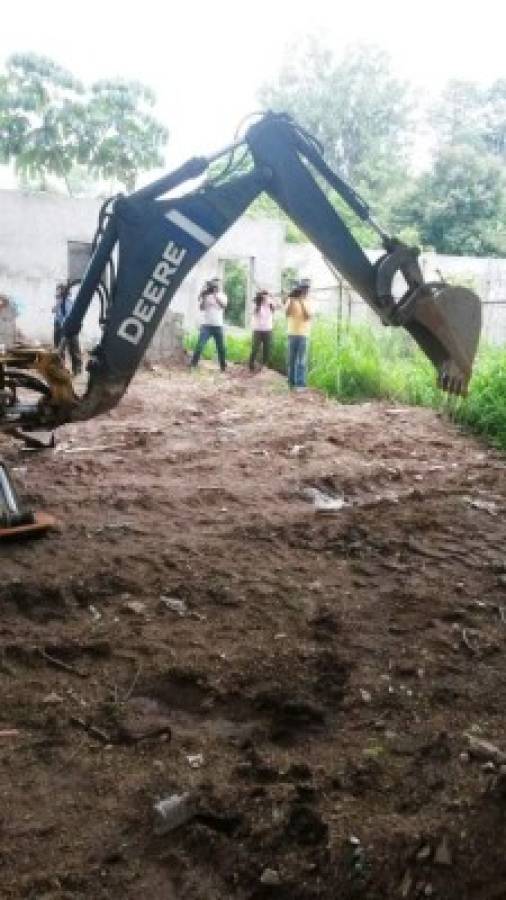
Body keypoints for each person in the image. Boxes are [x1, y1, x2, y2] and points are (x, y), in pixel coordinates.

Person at [190, 277, 228, 372]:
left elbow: (223, 305)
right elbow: (202, 308)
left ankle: (223, 367)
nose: (214, 286)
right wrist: (203, 297)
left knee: (221, 348)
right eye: (213, 285)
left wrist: (215, 296)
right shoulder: (206, 296)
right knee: (200, 345)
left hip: (218, 325)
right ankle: (193, 365)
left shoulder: (222, 295)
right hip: (206, 325)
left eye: (216, 285)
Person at [285, 278, 313, 389]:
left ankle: (301, 384)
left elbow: (308, 316)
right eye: (303, 288)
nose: (304, 290)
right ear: (300, 288)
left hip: (303, 334)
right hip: (292, 333)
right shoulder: (292, 300)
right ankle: (291, 383)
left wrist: (301, 301)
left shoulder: (310, 301)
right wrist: (291, 300)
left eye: (306, 288)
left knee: (301, 361)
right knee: (291, 360)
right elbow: (287, 314)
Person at [52, 281, 82, 376]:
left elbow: (71, 313)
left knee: (73, 349)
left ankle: (77, 370)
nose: (59, 292)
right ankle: (61, 369)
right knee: (59, 349)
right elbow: (54, 311)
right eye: (58, 290)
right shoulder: (59, 301)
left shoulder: (70, 301)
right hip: (59, 326)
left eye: (61, 290)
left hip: (70, 326)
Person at [249, 289, 276, 373]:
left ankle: (264, 366)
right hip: (258, 329)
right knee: (255, 348)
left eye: (266, 295)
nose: (265, 297)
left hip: (268, 329)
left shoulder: (270, 304)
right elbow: (254, 312)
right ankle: (251, 364)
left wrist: (272, 297)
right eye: (263, 295)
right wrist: (259, 303)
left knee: (267, 348)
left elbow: (279, 306)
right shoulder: (256, 304)